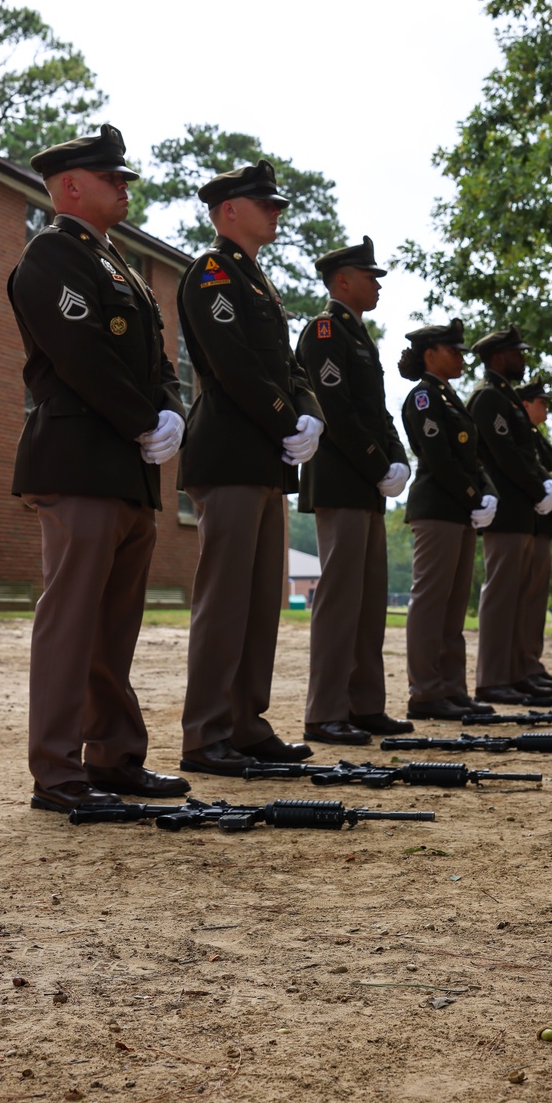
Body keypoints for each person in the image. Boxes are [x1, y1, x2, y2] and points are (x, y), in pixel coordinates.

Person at [8, 124, 190, 815]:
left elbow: (159, 364)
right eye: (112, 178)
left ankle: (113, 756)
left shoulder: (126, 271)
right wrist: (147, 416)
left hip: (126, 469)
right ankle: (58, 773)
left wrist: (172, 409)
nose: (124, 187)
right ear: (73, 185)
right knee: (72, 622)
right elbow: (82, 356)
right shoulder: (50, 257)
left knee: (114, 627)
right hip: (81, 461)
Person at [177, 158, 325, 775]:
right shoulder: (212, 273)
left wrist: (311, 410)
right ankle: (206, 734)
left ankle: (245, 724)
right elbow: (232, 363)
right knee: (225, 600)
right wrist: (284, 417)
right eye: (264, 203)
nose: (277, 211)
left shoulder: (260, 281)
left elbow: (289, 368)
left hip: (264, 456)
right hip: (232, 451)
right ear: (227, 210)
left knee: (262, 601)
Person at [296, 238, 413, 744]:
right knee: (341, 601)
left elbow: (378, 411)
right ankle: (325, 712)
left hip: (365, 484)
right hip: (342, 479)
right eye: (371, 276)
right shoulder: (325, 331)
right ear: (343, 280)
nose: (378, 284)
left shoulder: (359, 336)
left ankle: (364, 705)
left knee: (368, 602)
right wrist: (375, 463)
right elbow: (334, 409)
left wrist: (399, 457)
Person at [399, 319, 499, 718]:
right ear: (430, 354)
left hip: (459, 508)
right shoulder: (423, 398)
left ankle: (451, 688)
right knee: (430, 603)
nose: (460, 357)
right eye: (453, 351)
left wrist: (486, 491)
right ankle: (424, 692)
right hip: (438, 508)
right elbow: (439, 457)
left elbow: (472, 459)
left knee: (454, 606)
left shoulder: (450, 397)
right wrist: (476, 495)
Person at [466, 324, 552, 703]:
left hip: (521, 511)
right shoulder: (488, 398)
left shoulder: (503, 397)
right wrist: (540, 488)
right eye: (516, 353)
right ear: (498, 357)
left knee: (518, 598)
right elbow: (505, 455)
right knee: (502, 596)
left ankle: (515, 672)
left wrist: (542, 489)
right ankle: (492, 678)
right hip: (505, 510)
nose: (522, 359)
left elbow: (524, 455)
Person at [517, 378, 552, 684]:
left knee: (535, 600)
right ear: (526, 405)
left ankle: (530, 663)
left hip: (542, 523)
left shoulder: (535, 437)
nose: (546, 406)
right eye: (541, 402)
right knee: (524, 599)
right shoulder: (522, 435)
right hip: (529, 521)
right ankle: (520, 666)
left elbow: (547, 476)